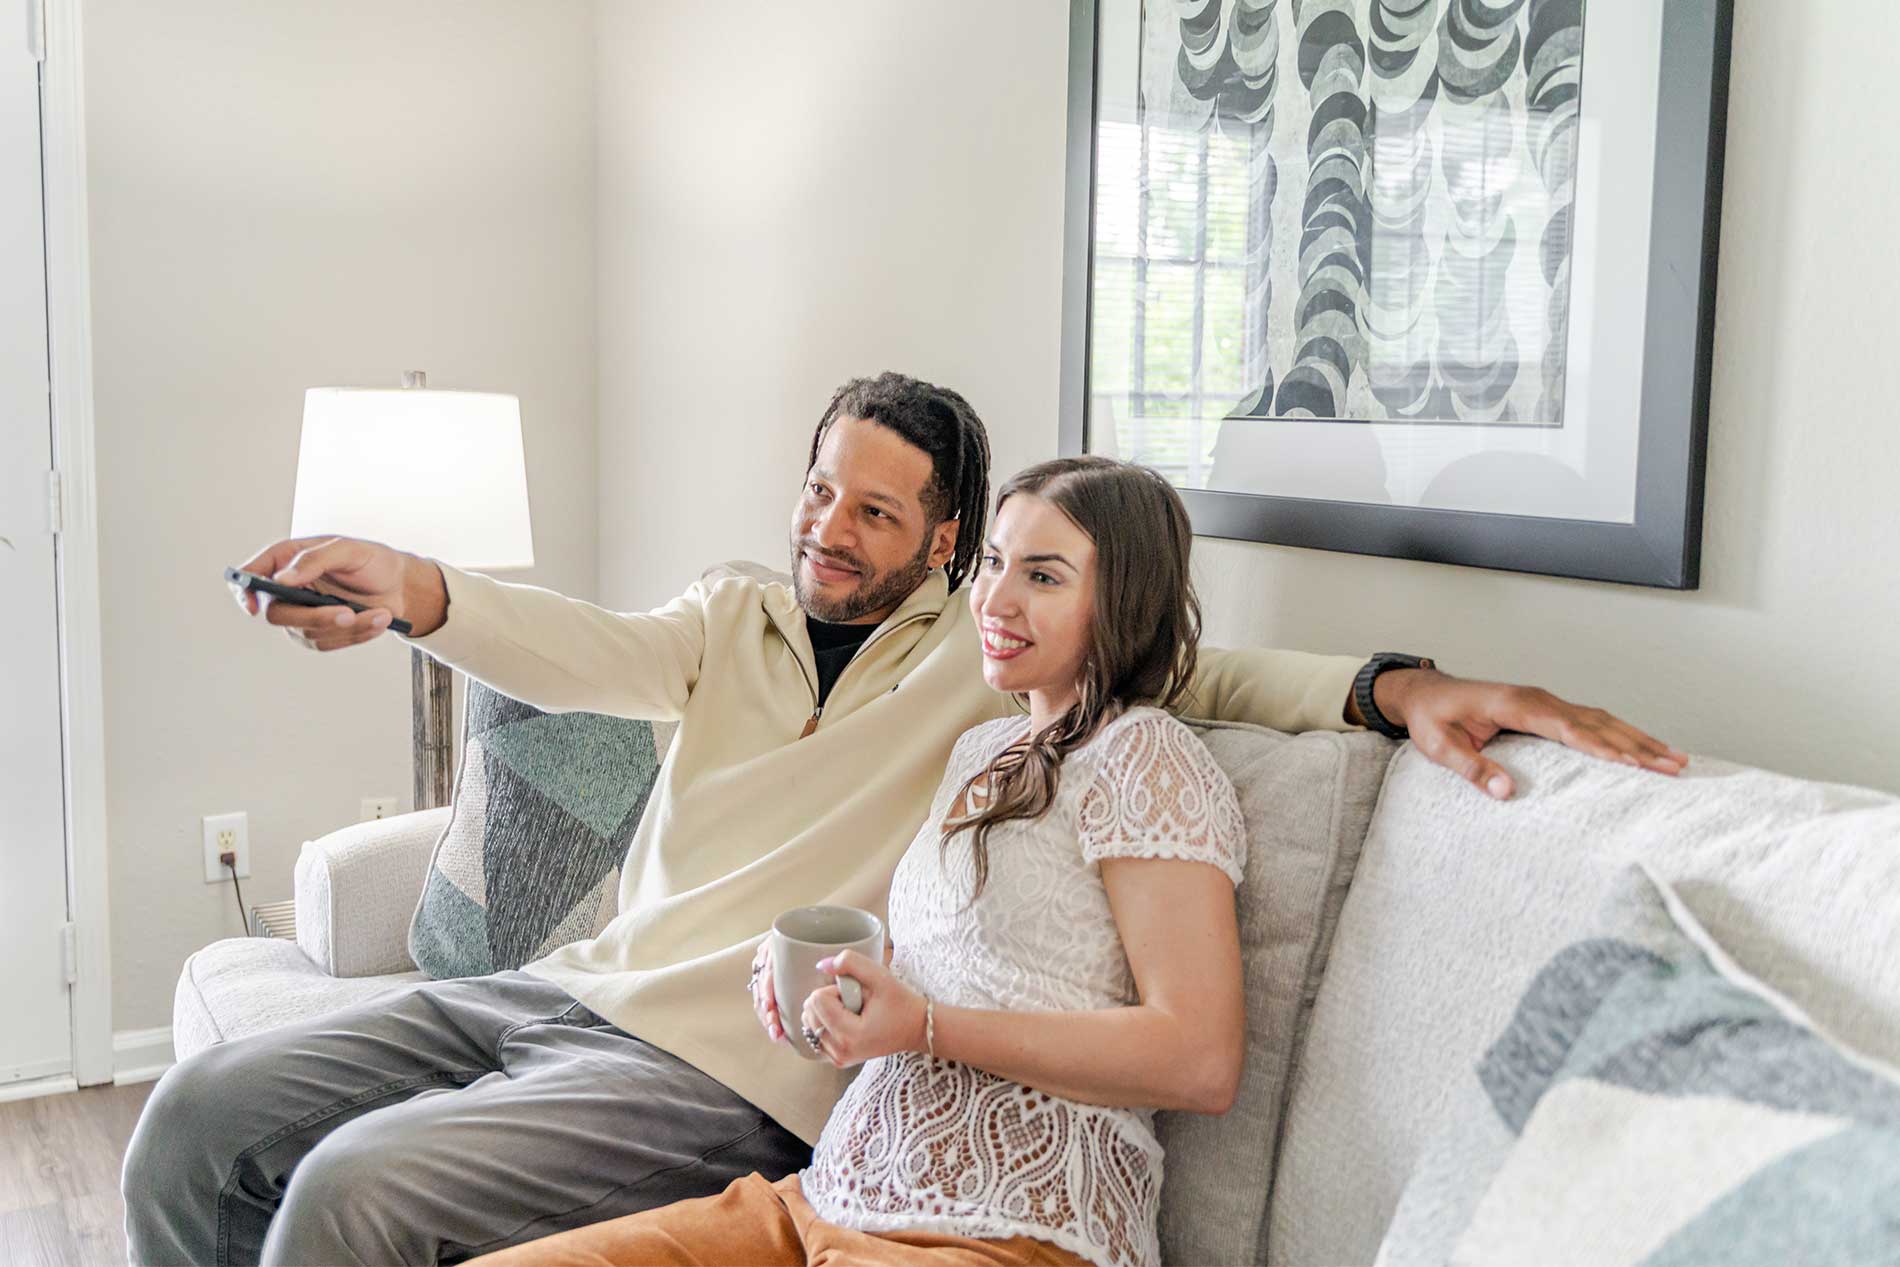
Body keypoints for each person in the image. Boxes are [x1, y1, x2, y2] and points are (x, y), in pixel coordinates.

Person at [123, 373, 1684, 1266]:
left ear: (944, 534)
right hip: (565, 991)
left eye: (877, 510)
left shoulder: (985, 658)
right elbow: (569, 642)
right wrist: (412, 590)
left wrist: (1399, 683)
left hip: (724, 1074)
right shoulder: (725, 618)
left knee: (349, 1193)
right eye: (820, 492)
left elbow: (1210, 667)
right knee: (194, 1122)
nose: (831, 529)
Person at [462, 455, 1257, 1267]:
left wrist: (928, 1027)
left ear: (1122, 600)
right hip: (825, 1194)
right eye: (992, 563)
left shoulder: (1145, 756)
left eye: (1044, 577)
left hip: (1011, 1227)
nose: (996, 598)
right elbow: (956, 967)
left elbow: (1199, 1058)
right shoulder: (982, 748)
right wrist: (833, 990)